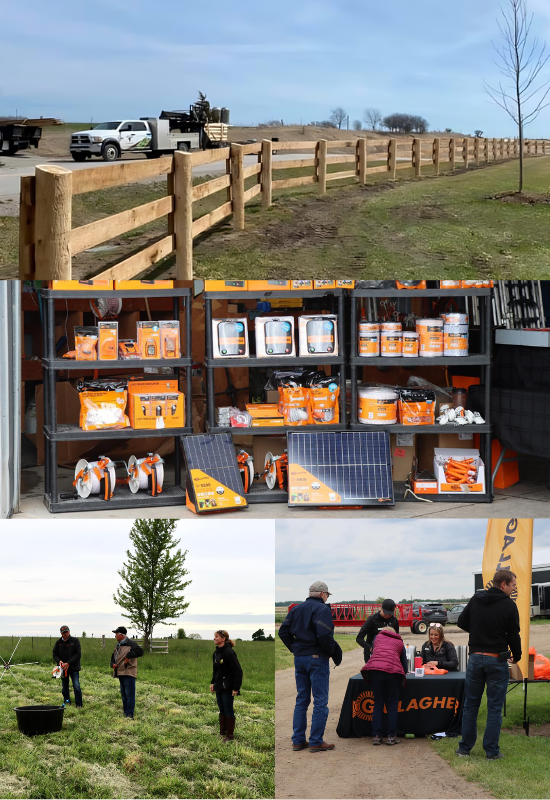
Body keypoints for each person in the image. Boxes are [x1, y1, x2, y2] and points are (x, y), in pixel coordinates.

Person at [456, 569, 522, 760]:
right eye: (512, 586)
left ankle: (464, 749)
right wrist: (516, 656)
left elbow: (461, 621)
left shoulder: (476, 599)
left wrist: (478, 631)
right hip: (496, 659)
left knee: (470, 705)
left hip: (475, 658)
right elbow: (514, 635)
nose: (513, 589)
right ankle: (491, 752)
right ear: (503, 584)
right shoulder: (509, 605)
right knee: (494, 707)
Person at [279, 580, 343, 753]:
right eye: (327, 595)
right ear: (323, 594)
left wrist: (295, 648)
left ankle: (298, 741)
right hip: (317, 658)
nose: (327, 597)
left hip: (299, 658)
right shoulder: (323, 609)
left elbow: (282, 632)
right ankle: (315, 741)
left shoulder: (296, 609)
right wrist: (330, 651)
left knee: (302, 699)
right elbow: (324, 634)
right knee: (320, 700)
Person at [361, 626, 408, 746]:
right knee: (392, 705)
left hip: (376, 672)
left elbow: (372, 654)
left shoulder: (377, 638)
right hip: (393, 673)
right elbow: (404, 664)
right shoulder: (399, 642)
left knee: (378, 703)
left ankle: (377, 736)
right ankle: (391, 737)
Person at [210, 629, 243, 743]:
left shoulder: (229, 653)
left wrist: (236, 688)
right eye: (215, 636)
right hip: (219, 686)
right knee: (221, 709)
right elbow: (216, 670)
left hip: (228, 687)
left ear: (223, 639)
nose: (214, 638)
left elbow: (238, 671)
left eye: (217, 637)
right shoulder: (216, 653)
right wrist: (212, 682)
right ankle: (222, 732)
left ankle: (230, 735)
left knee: (228, 710)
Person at [110, 626, 144, 719]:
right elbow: (113, 658)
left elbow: (140, 652)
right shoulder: (118, 645)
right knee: (124, 694)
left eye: (116, 634)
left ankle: (129, 715)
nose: (115, 636)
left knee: (130, 695)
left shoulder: (131, 643)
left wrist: (128, 655)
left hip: (128, 672)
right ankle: (125, 712)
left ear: (121, 635)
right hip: (120, 672)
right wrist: (112, 664)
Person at [52, 625, 83, 708]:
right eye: (64, 632)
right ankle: (67, 701)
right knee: (65, 686)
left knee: (76, 685)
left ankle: (79, 704)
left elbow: (78, 654)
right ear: (61, 633)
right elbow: (55, 654)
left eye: (67, 631)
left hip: (74, 668)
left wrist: (68, 663)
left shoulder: (75, 641)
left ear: (69, 631)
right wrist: (59, 661)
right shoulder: (58, 642)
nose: (66, 633)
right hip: (63, 668)